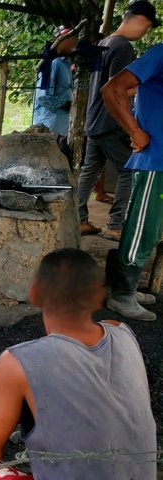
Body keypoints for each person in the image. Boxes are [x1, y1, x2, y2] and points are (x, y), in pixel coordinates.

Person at [0, 249, 156, 479]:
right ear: (99, 296)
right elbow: (87, 405)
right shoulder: (122, 333)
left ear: (35, 294)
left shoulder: (18, 360)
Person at [76, 1, 157, 239]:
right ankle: (115, 225)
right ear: (139, 19)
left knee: (89, 170)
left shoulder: (105, 42)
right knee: (127, 171)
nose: (145, 33)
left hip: (93, 118)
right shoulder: (122, 47)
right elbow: (116, 87)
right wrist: (146, 85)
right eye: (148, 26)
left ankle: (78, 219)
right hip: (110, 121)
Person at [102, 38, 163, 321]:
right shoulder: (160, 53)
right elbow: (113, 88)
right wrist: (135, 131)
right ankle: (122, 294)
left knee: (148, 228)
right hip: (156, 160)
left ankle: (126, 286)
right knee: (143, 228)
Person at [33, 27, 77, 137]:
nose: (75, 42)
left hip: (61, 126)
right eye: (73, 38)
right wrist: (65, 104)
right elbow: (42, 96)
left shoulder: (65, 63)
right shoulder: (53, 63)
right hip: (49, 126)